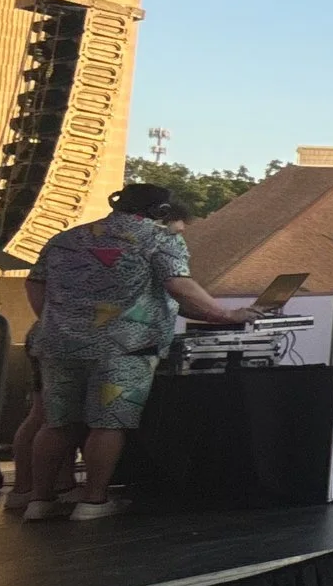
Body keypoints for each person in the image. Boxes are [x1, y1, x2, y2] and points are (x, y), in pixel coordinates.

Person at [22, 183, 238, 521]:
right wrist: (226, 315)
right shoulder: (160, 239)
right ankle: (93, 502)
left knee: (57, 422)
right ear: (163, 212)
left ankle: (39, 501)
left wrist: (58, 321)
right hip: (124, 347)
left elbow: (34, 283)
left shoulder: (67, 237)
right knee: (108, 424)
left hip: (58, 345)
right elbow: (179, 285)